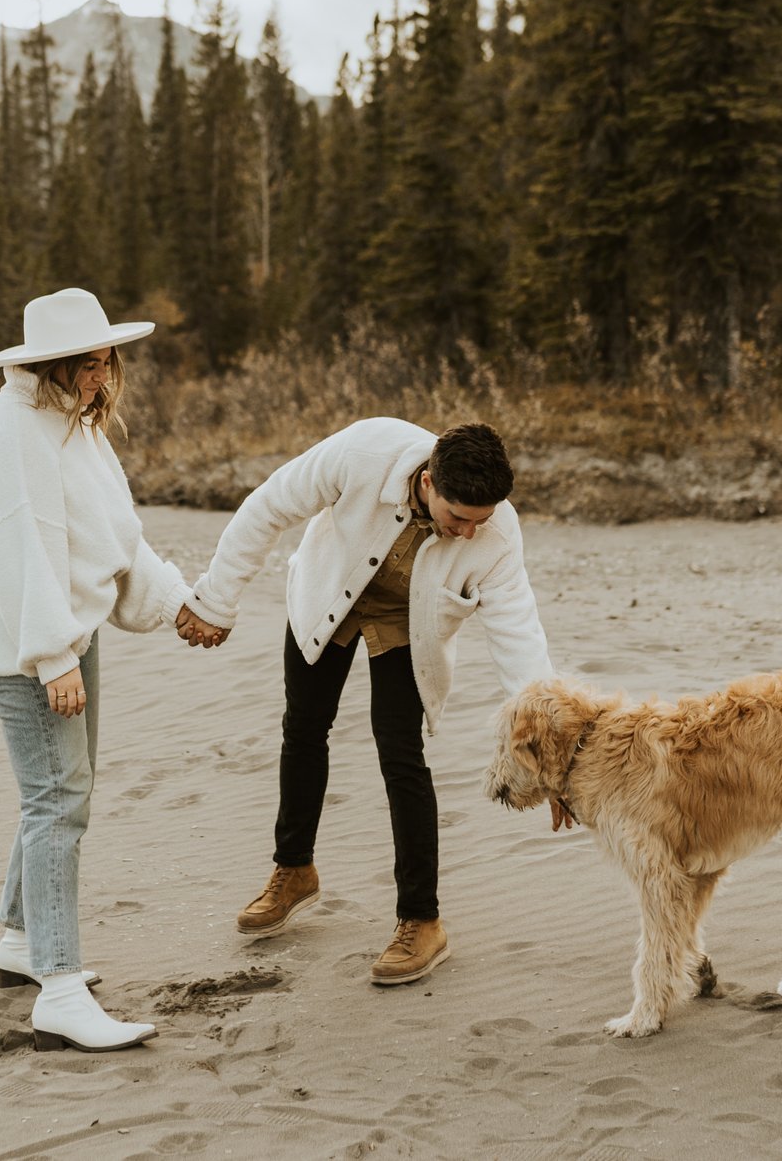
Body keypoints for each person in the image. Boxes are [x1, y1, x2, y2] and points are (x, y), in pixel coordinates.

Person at [174, 419, 554, 985]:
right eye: (459, 519)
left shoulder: (498, 533)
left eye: (483, 521)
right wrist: (216, 599)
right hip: (328, 594)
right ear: (428, 481)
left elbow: (518, 633)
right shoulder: (363, 450)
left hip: (409, 623)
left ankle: (422, 921)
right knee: (303, 728)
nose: (471, 533)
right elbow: (268, 506)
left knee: (400, 754)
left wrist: (550, 754)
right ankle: (293, 871)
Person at [0, 288, 195, 1052]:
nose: (102, 373)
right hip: (26, 644)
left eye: (106, 357)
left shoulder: (72, 423)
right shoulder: (10, 429)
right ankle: (58, 984)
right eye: (88, 361)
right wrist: (52, 655)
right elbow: (17, 551)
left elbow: (112, 532)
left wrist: (180, 602)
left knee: (63, 789)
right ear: (52, 363)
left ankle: (22, 940)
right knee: (59, 799)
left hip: (67, 631)